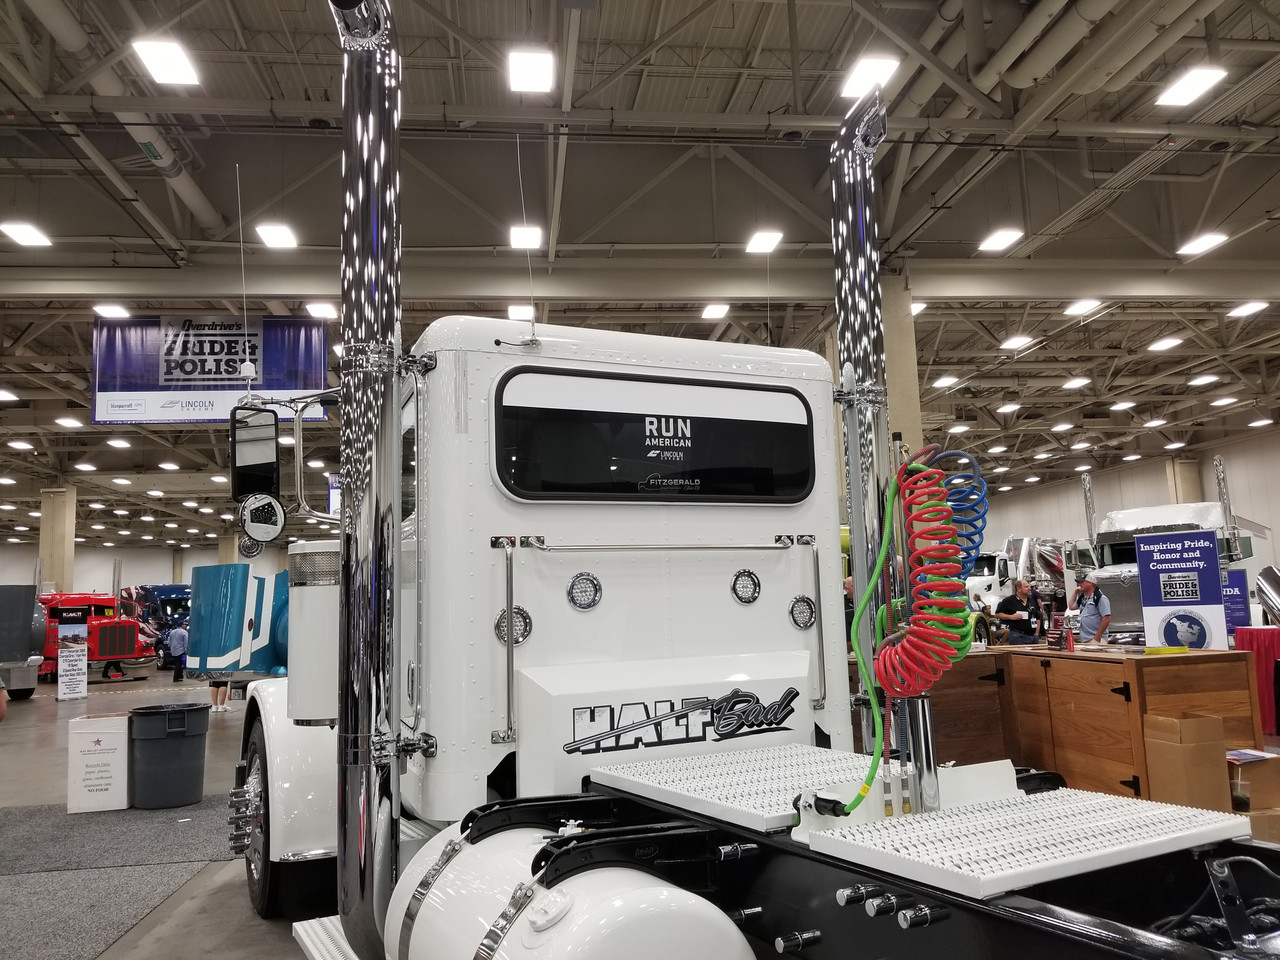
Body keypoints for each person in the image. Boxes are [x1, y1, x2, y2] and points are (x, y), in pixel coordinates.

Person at [995, 578, 1041, 643]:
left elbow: (1037, 618)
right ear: (1019, 589)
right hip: (1017, 636)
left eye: (1029, 586)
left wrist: (1036, 634)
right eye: (1026, 586)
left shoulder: (1032, 601)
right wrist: (1011, 617)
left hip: (1033, 637)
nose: (1029, 588)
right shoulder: (1009, 600)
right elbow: (997, 614)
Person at [1072, 572, 1112, 643]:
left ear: (1090, 583)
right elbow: (1071, 606)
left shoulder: (1100, 598)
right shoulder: (1083, 598)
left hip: (1096, 638)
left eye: (1082, 582)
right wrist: (1075, 592)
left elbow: (1107, 618)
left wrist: (1098, 635)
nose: (1079, 584)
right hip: (1085, 639)